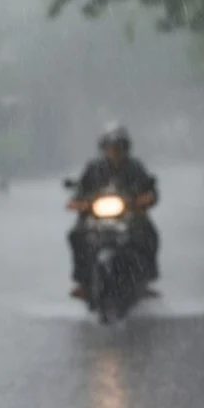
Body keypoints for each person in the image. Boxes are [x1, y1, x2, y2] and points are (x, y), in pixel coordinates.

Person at [66, 124, 160, 300]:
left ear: (126, 148)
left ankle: (146, 279)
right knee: (76, 235)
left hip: (130, 218)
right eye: (110, 147)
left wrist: (144, 199)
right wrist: (78, 203)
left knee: (148, 234)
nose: (114, 151)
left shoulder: (135, 167)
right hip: (96, 219)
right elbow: (79, 192)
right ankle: (82, 282)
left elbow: (150, 191)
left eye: (119, 147)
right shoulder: (93, 169)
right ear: (104, 148)